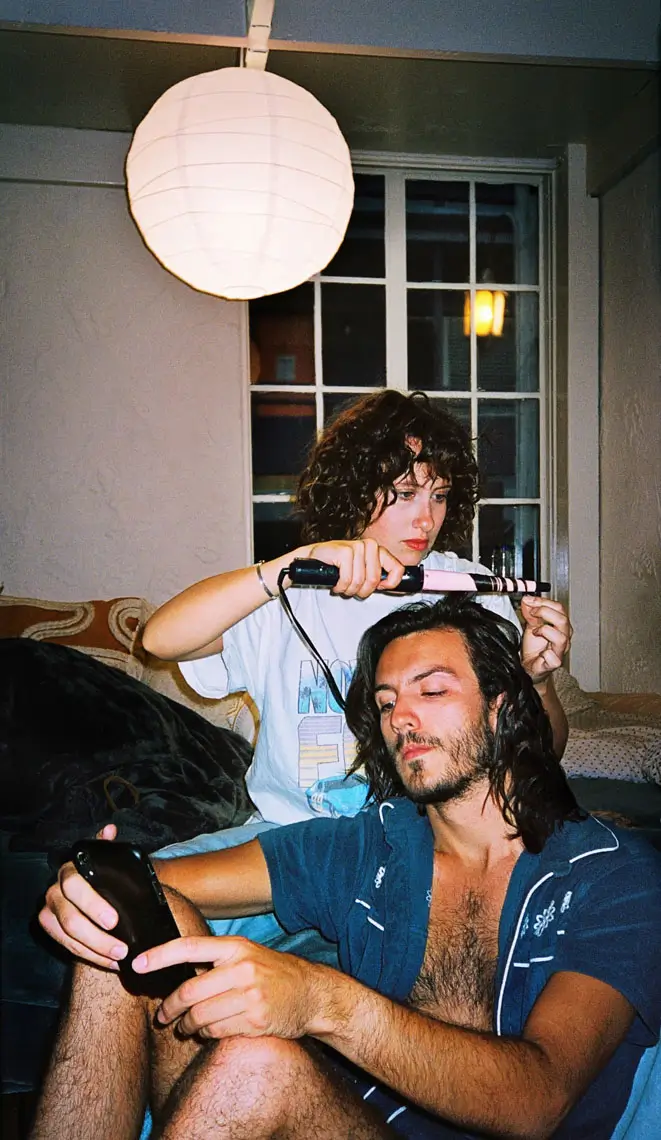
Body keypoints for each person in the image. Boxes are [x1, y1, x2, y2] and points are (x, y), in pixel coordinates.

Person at [33, 600, 661, 1140]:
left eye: (432, 690)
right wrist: (89, 886)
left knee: (258, 1067)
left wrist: (321, 1001)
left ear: (502, 708)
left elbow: (539, 1100)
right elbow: (163, 882)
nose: (401, 719)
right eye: (386, 703)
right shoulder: (372, 846)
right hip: (349, 1123)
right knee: (118, 918)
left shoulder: (610, 875)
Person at [142, 390, 571, 832]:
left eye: (439, 496)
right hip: (288, 838)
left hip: (423, 843)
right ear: (355, 490)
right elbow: (159, 639)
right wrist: (290, 567)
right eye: (405, 493)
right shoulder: (289, 594)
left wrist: (538, 683)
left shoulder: (469, 591)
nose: (427, 520)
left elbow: (543, 754)